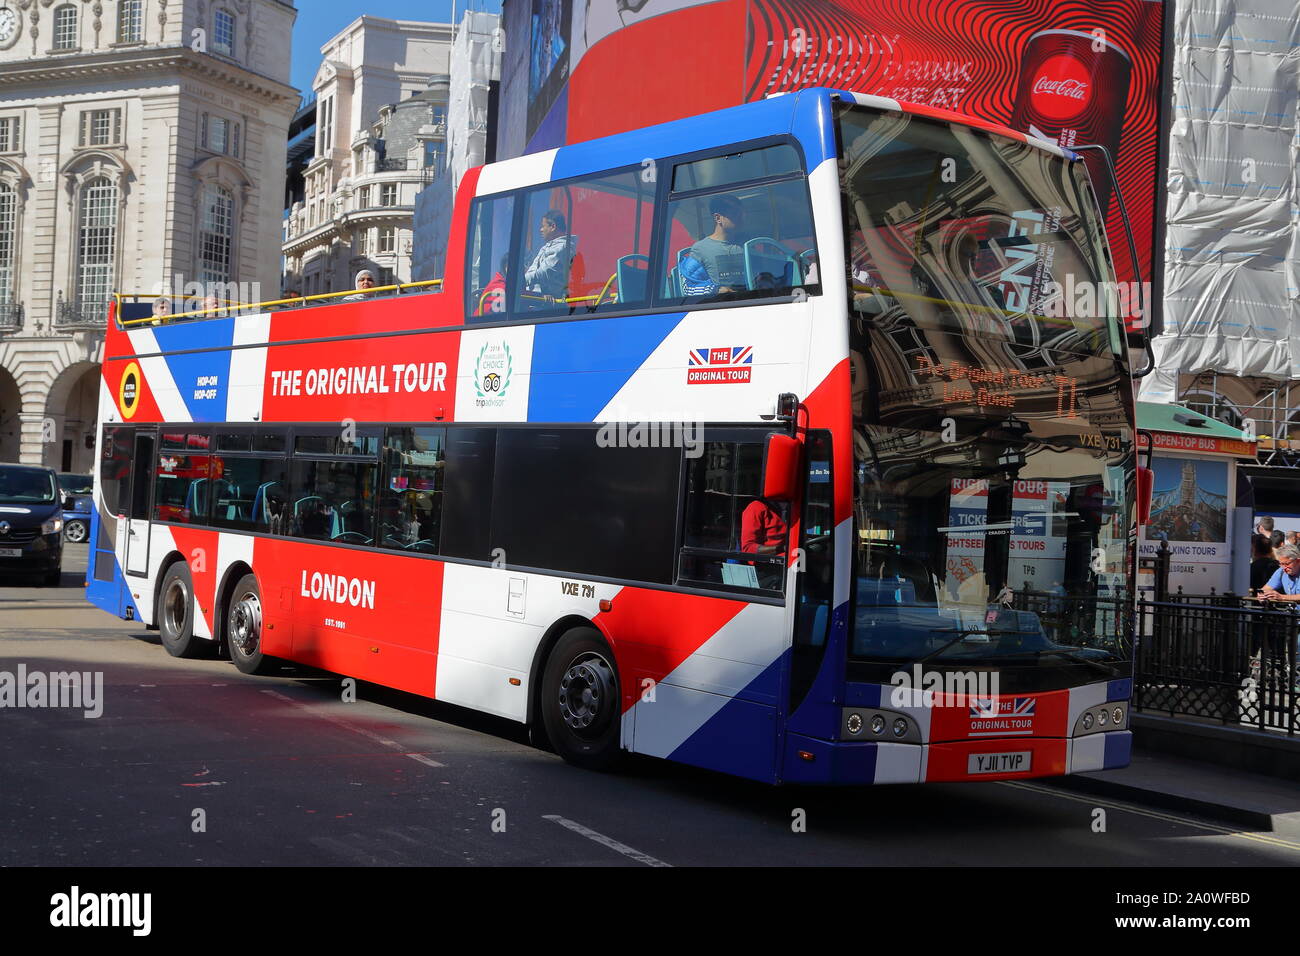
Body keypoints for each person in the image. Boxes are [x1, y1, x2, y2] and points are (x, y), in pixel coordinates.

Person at [687, 194, 747, 295]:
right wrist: (716, 290)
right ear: (718, 218)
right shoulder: (700, 249)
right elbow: (688, 287)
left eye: (742, 213)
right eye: (735, 213)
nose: (742, 217)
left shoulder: (747, 244)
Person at [523, 209, 577, 301]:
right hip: (535, 298)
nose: (541, 230)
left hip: (547, 303)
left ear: (553, 227)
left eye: (543, 226)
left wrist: (521, 281)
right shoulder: (547, 247)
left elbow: (545, 273)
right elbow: (533, 269)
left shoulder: (563, 247)